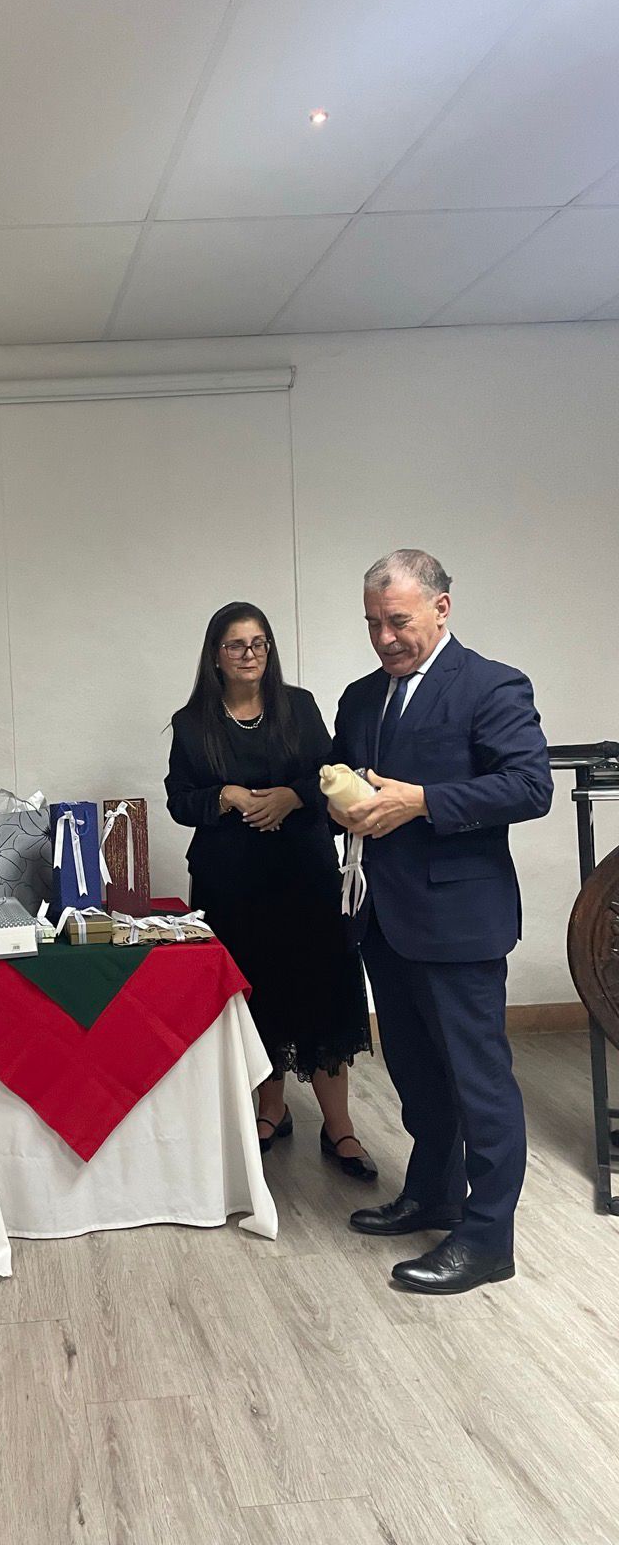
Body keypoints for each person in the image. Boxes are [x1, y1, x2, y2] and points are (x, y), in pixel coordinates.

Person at [329, 549, 552, 1295]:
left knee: (478, 1083)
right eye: (372, 623)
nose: (384, 638)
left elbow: (529, 786)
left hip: (460, 920)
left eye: (397, 621)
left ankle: (487, 1239)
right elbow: (342, 779)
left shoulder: (491, 685)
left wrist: (423, 801)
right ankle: (433, 1194)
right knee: (417, 1073)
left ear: (441, 608)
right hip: (382, 917)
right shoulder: (361, 698)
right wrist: (337, 802)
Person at [166, 602, 375, 1176]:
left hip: (304, 874)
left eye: (259, 643)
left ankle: (340, 1128)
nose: (250, 654)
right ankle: (271, 1109)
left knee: (323, 991)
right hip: (231, 882)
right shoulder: (192, 722)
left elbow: (333, 774)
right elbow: (180, 800)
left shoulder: (298, 706)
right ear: (216, 656)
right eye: (236, 645)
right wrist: (225, 795)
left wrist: (292, 797)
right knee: (255, 996)